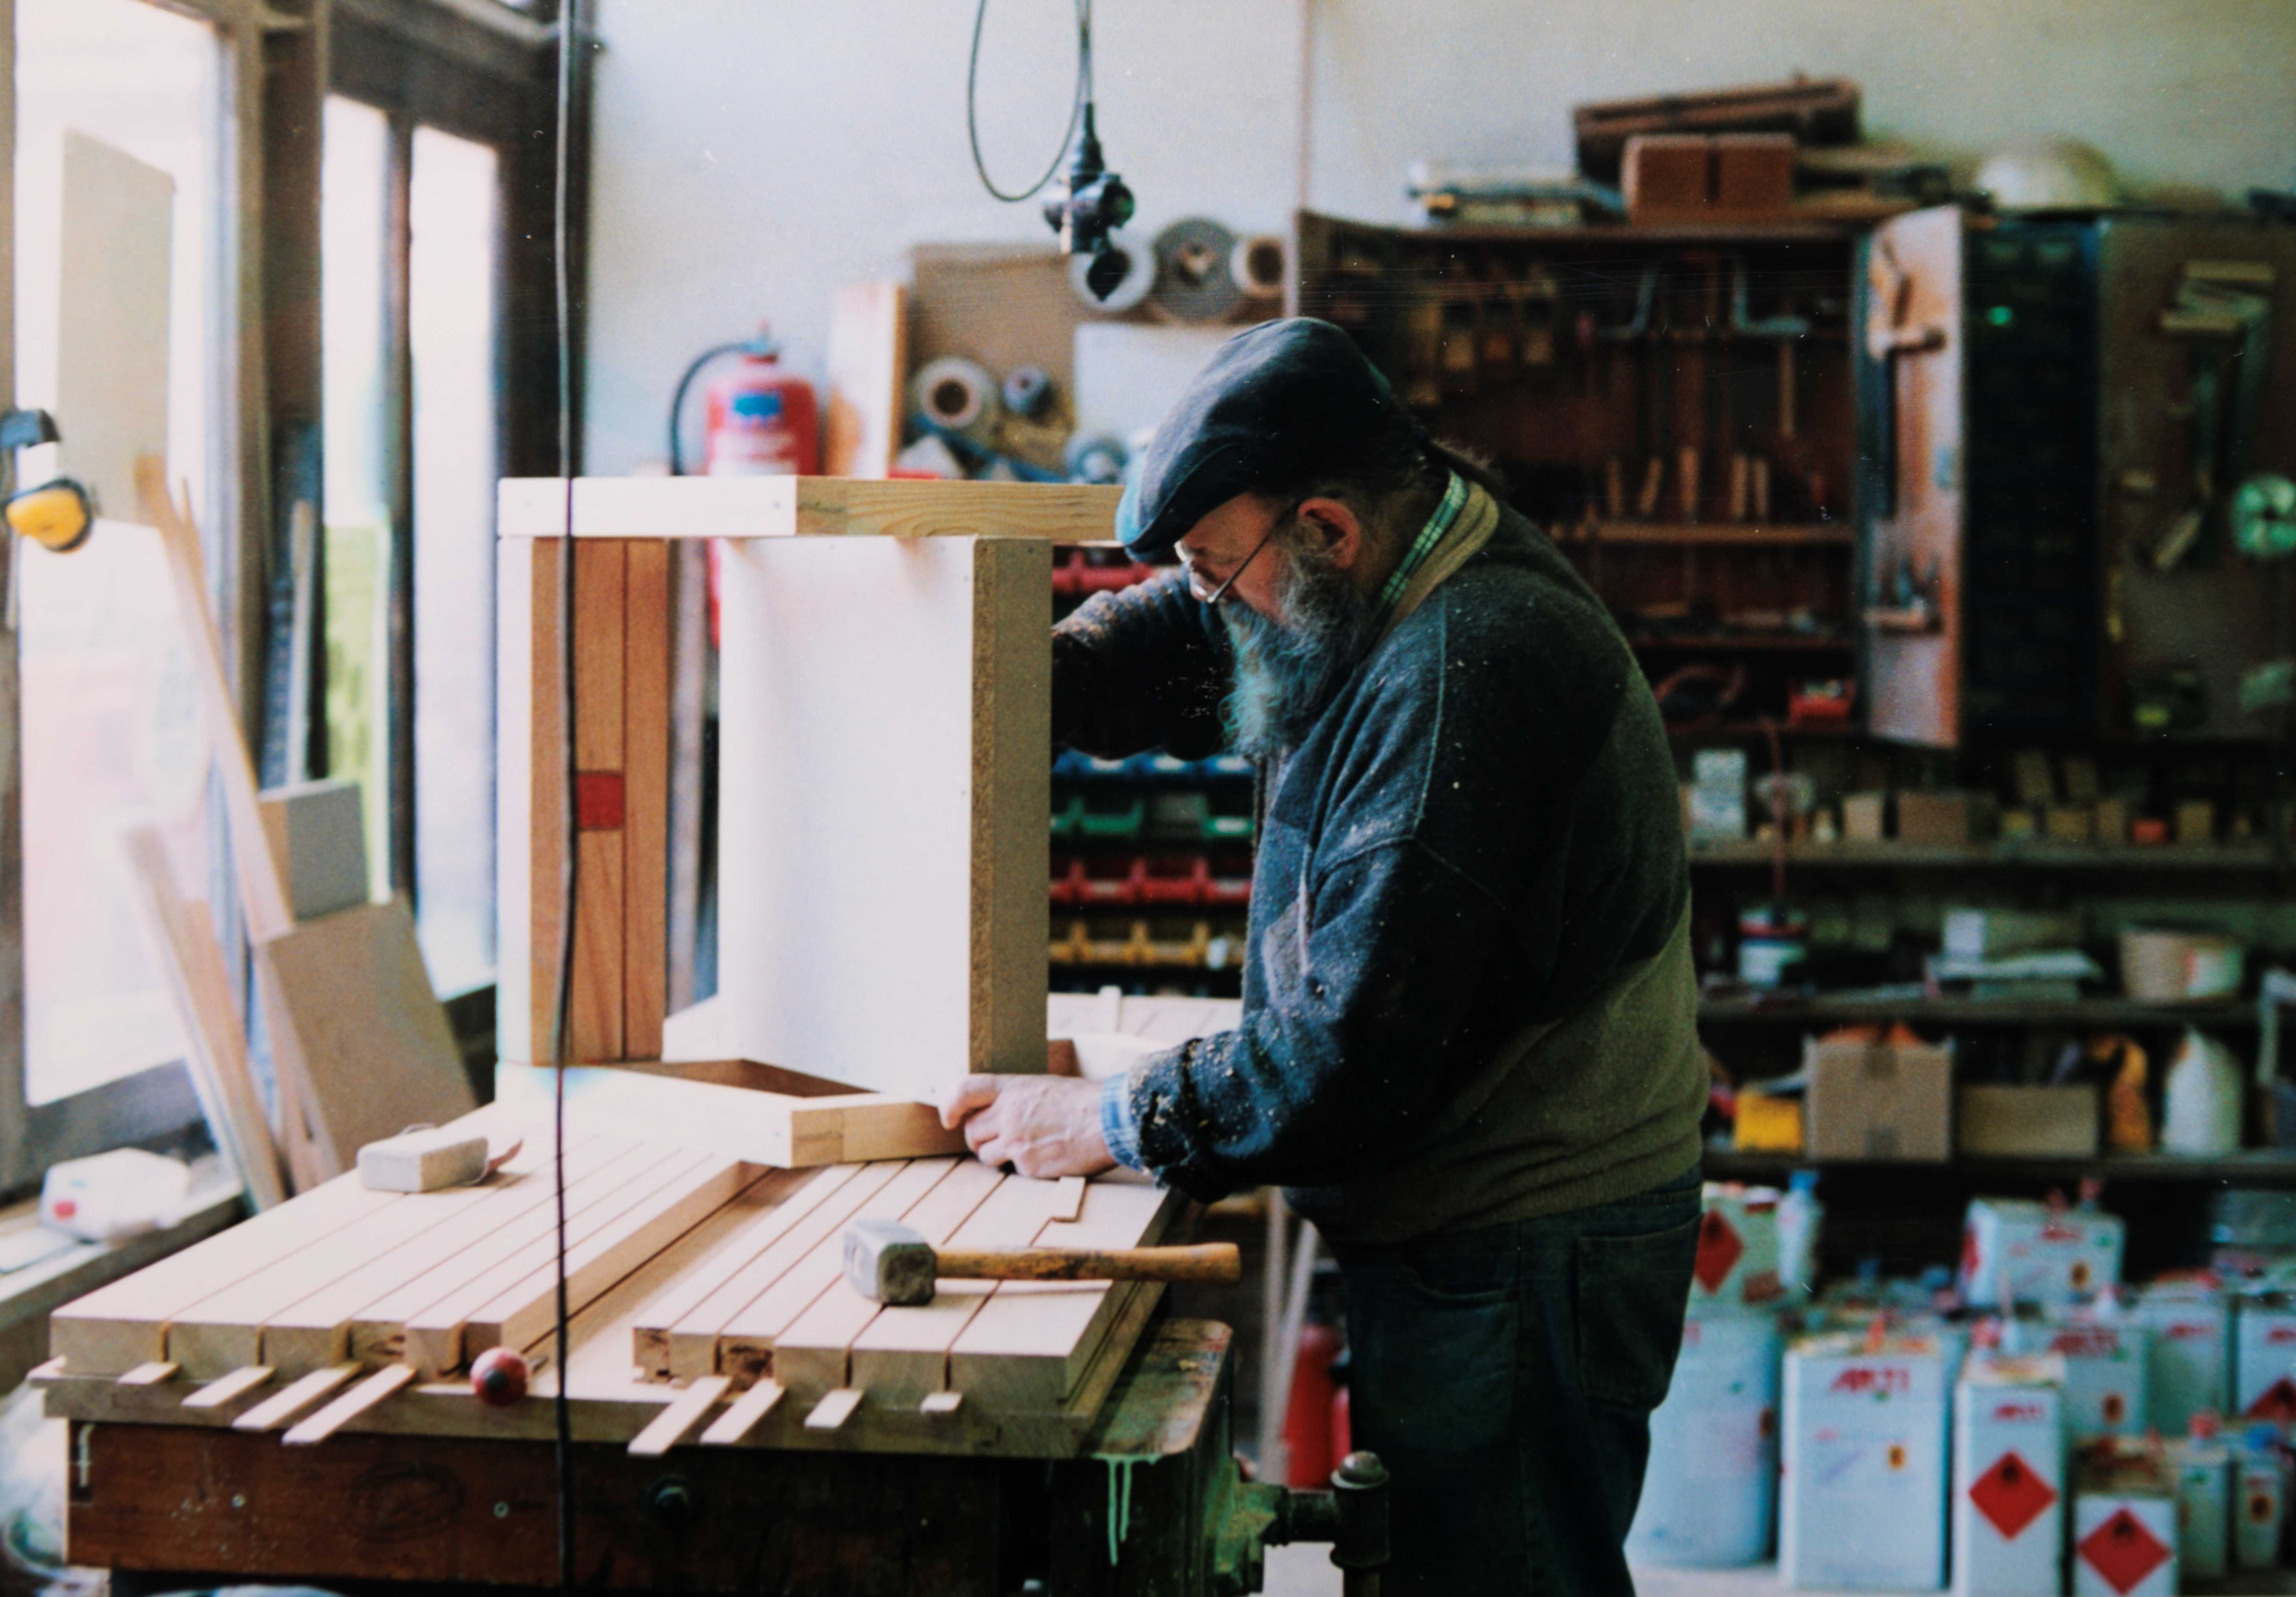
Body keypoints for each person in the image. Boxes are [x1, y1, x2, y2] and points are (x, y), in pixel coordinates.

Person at [940, 317, 1705, 1595]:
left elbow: (1344, 1057)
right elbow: (1194, 637)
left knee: (1496, 1581)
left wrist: (1109, 1117)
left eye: (1214, 567)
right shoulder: (1387, 555)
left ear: (1327, 530)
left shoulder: (1466, 670)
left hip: (1527, 1237)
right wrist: (1011, 676)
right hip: (1471, 1206)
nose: (1208, 600)